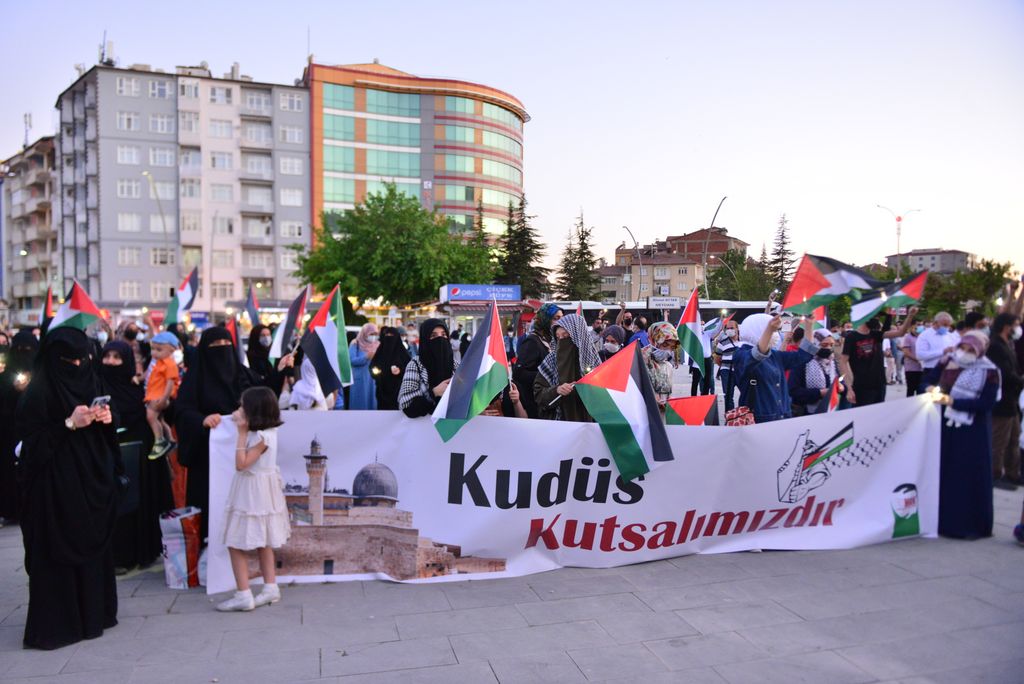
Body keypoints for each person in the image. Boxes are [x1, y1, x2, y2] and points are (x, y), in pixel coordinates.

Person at [18, 327, 119, 650]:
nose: (77, 366)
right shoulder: (37, 393)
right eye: (68, 361)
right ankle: (60, 622)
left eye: (81, 359)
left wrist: (106, 419)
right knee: (57, 550)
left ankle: (94, 614)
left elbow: (108, 437)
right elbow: (28, 450)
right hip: (54, 488)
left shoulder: (93, 381)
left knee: (92, 545)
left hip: (91, 480)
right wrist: (69, 424)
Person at [175, 327, 254, 542]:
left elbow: (262, 398)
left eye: (226, 344)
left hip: (242, 454)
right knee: (210, 503)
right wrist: (202, 420)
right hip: (207, 457)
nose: (222, 349)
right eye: (215, 345)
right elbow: (182, 411)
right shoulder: (195, 378)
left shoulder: (242, 374)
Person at [218, 386, 291, 611]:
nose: (238, 410)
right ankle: (270, 587)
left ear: (253, 412)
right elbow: (233, 416)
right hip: (263, 489)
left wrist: (241, 433)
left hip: (252, 491)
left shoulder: (260, 437)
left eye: (243, 407)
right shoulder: (269, 431)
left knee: (235, 540)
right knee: (264, 541)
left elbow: (241, 464)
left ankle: (243, 594)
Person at [101, 341, 172, 571]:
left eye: (117, 357)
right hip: (111, 459)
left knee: (140, 504)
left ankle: (145, 551)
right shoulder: (96, 388)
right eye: (107, 356)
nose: (111, 362)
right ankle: (118, 557)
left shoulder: (137, 390)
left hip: (139, 458)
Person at [931, 331, 1000, 539]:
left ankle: (966, 525)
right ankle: (942, 521)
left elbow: (986, 403)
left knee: (967, 475)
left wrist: (954, 402)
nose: (966, 352)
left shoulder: (989, 371)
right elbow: (928, 379)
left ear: (981, 351)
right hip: (946, 426)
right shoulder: (947, 361)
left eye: (971, 350)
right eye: (963, 347)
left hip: (972, 431)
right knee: (946, 472)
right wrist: (929, 388)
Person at [732, 314, 818, 423]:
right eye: (774, 332)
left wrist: (809, 326)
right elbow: (757, 355)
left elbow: (803, 356)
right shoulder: (741, 354)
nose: (776, 335)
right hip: (760, 422)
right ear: (758, 330)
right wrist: (769, 330)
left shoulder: (774, 355)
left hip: (783, 418)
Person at [839, 310, 916, 407]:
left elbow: (900, 333)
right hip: (862, 386)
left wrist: (910, 316)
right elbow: (843, 362)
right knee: (863, 415)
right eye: (875, 317)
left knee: (878, 414)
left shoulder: (875, 335)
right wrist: (849, 388)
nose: (877, 320)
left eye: (878, 318)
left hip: (880, 384)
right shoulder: (851, 337)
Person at [534, 314, 601, 422]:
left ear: (579, 336)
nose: (561, 341)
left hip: (588, 422)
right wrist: (556, 390)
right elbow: (538, 393)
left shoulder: (592, 360)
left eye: (566, 336)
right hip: (560, 423)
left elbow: (603, 395)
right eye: (558, 337)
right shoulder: (551, 360)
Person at [0, 330, 37, 523]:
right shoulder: (5, 375)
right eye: (20, 350)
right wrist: (13, 391)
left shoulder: (41, 374)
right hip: (8, 433)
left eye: (28, 350)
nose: (24, 354)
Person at [986, 313, 1022, 489]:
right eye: (1016, 324)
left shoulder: (1007, 344)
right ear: (1007, 326)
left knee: (1014, 438)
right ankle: (994, 475)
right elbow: (1004, 373)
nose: (1018, 328)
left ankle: (1012, 473)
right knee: (999, 441)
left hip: (1012, 399)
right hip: (1002, 400)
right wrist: (1020, 381)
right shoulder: (995, 346)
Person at [512, 304, 563, 419]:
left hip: (548, 398)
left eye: (562, 318)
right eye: (556, 318)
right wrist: (546, 375)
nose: (560, 322)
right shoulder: (532, 341)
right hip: (533, 401)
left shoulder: (551, 340)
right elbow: (518, 373)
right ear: (545, 319)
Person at [399, 318, 456, 417]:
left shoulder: (455, 365)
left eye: (443, 335)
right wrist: (433, 393)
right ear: (425, 338)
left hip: (451, 424)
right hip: (423, 425)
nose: (440, 339)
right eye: (433, 335)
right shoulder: (416, 365)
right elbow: (406, 405)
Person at [144, 332, 181, 460]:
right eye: (153, 349)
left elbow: (170, 384)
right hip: (155, 395)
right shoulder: (159, 362)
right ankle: (170, 439)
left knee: (150, 416)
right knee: (159, 419)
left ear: (171, 350)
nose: (154, 353)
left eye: (159, 350)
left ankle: (159, 440)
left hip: (159, 396)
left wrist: (164, 398)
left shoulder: (169, 364)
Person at [789, 329, 843, 415]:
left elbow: (839, 380)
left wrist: (841, 386)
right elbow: (794, 391)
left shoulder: (832, 362)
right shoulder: (802, 362)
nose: (828, 348)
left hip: (830, 411)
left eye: (831, 345)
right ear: (815, 344)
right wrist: (819, 393)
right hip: (807, 413)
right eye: (824, 345)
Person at [370, 326, 411, 410]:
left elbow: (410, 369)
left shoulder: (403, 353)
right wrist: (377, 373)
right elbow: (372, 366)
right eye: (387, 335)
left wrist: (400, 371)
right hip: (382, 388)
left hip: (399, 389)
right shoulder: (380, 351)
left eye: (391, 335)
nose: (389, 338)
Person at [913, 312, 956, 387]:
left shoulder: (950, 336)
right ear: (935, 323)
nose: (947, 327)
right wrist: (942, 351)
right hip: (931, 371)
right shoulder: (925, 335)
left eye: (948, 325)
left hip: (947, 372)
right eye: (944, 325)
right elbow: (920, 355)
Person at [643, 321, 679, 406]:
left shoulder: (668, 366)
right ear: (654, 341)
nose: (668, 350)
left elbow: (669, 392)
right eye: (665, 345)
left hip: (662, 411)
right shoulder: (640, 360)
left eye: (672, 347)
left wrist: (669, 402)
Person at [348, 323, 379, 410]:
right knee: (359, 403)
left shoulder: (377, 344)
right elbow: (351, 360)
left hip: (373, 379)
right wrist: (366, 357)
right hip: (360, 379)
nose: (374, 336)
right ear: (365, 333)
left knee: (372, 401)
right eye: (371, 334)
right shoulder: (356, 343)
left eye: (376, 334)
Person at [716, 317, 740, 412]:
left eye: (732, 328)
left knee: (746, 393)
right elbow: (717, 359)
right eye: (728, 328)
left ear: (737, 328)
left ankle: (743, 414)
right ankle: (730, 416)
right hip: (726, 372)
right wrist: (725, 366)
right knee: (728, 396)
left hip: (740, 371)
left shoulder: (743, 342)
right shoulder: (722, 343)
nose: (729, 330)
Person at [901, 324, 925, 396]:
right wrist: (917, 359)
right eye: (916, 327)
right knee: (911, 389)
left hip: (922, 368)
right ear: (911, 328)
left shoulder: (923, 337)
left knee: (920, 390)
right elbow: (906, 352)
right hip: (911, 368)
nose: (918, 329)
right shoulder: (908, 337)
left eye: (920, 326)